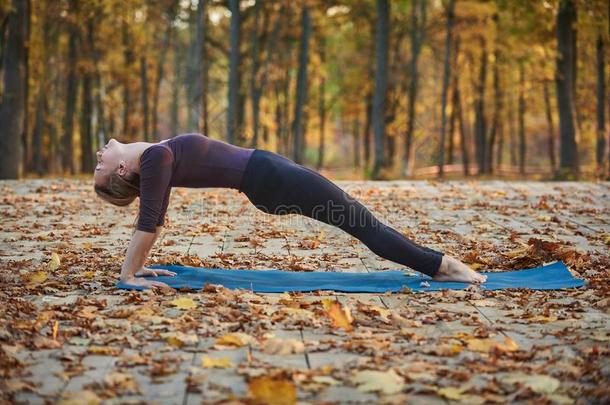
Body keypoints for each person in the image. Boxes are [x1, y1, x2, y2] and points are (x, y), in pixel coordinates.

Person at [94, 133, 487, 290]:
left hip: (269, 176)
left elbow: (152, 216)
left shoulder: (153, 159)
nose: (99, 154)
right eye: (101, 165)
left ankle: (438, 264)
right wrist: (129, 274)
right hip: (271, 179)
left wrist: (135, 268)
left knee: (358, 220)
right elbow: (151, 221)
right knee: (362, 222)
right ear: (123, 171)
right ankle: (440, 266)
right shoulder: (154, 159)